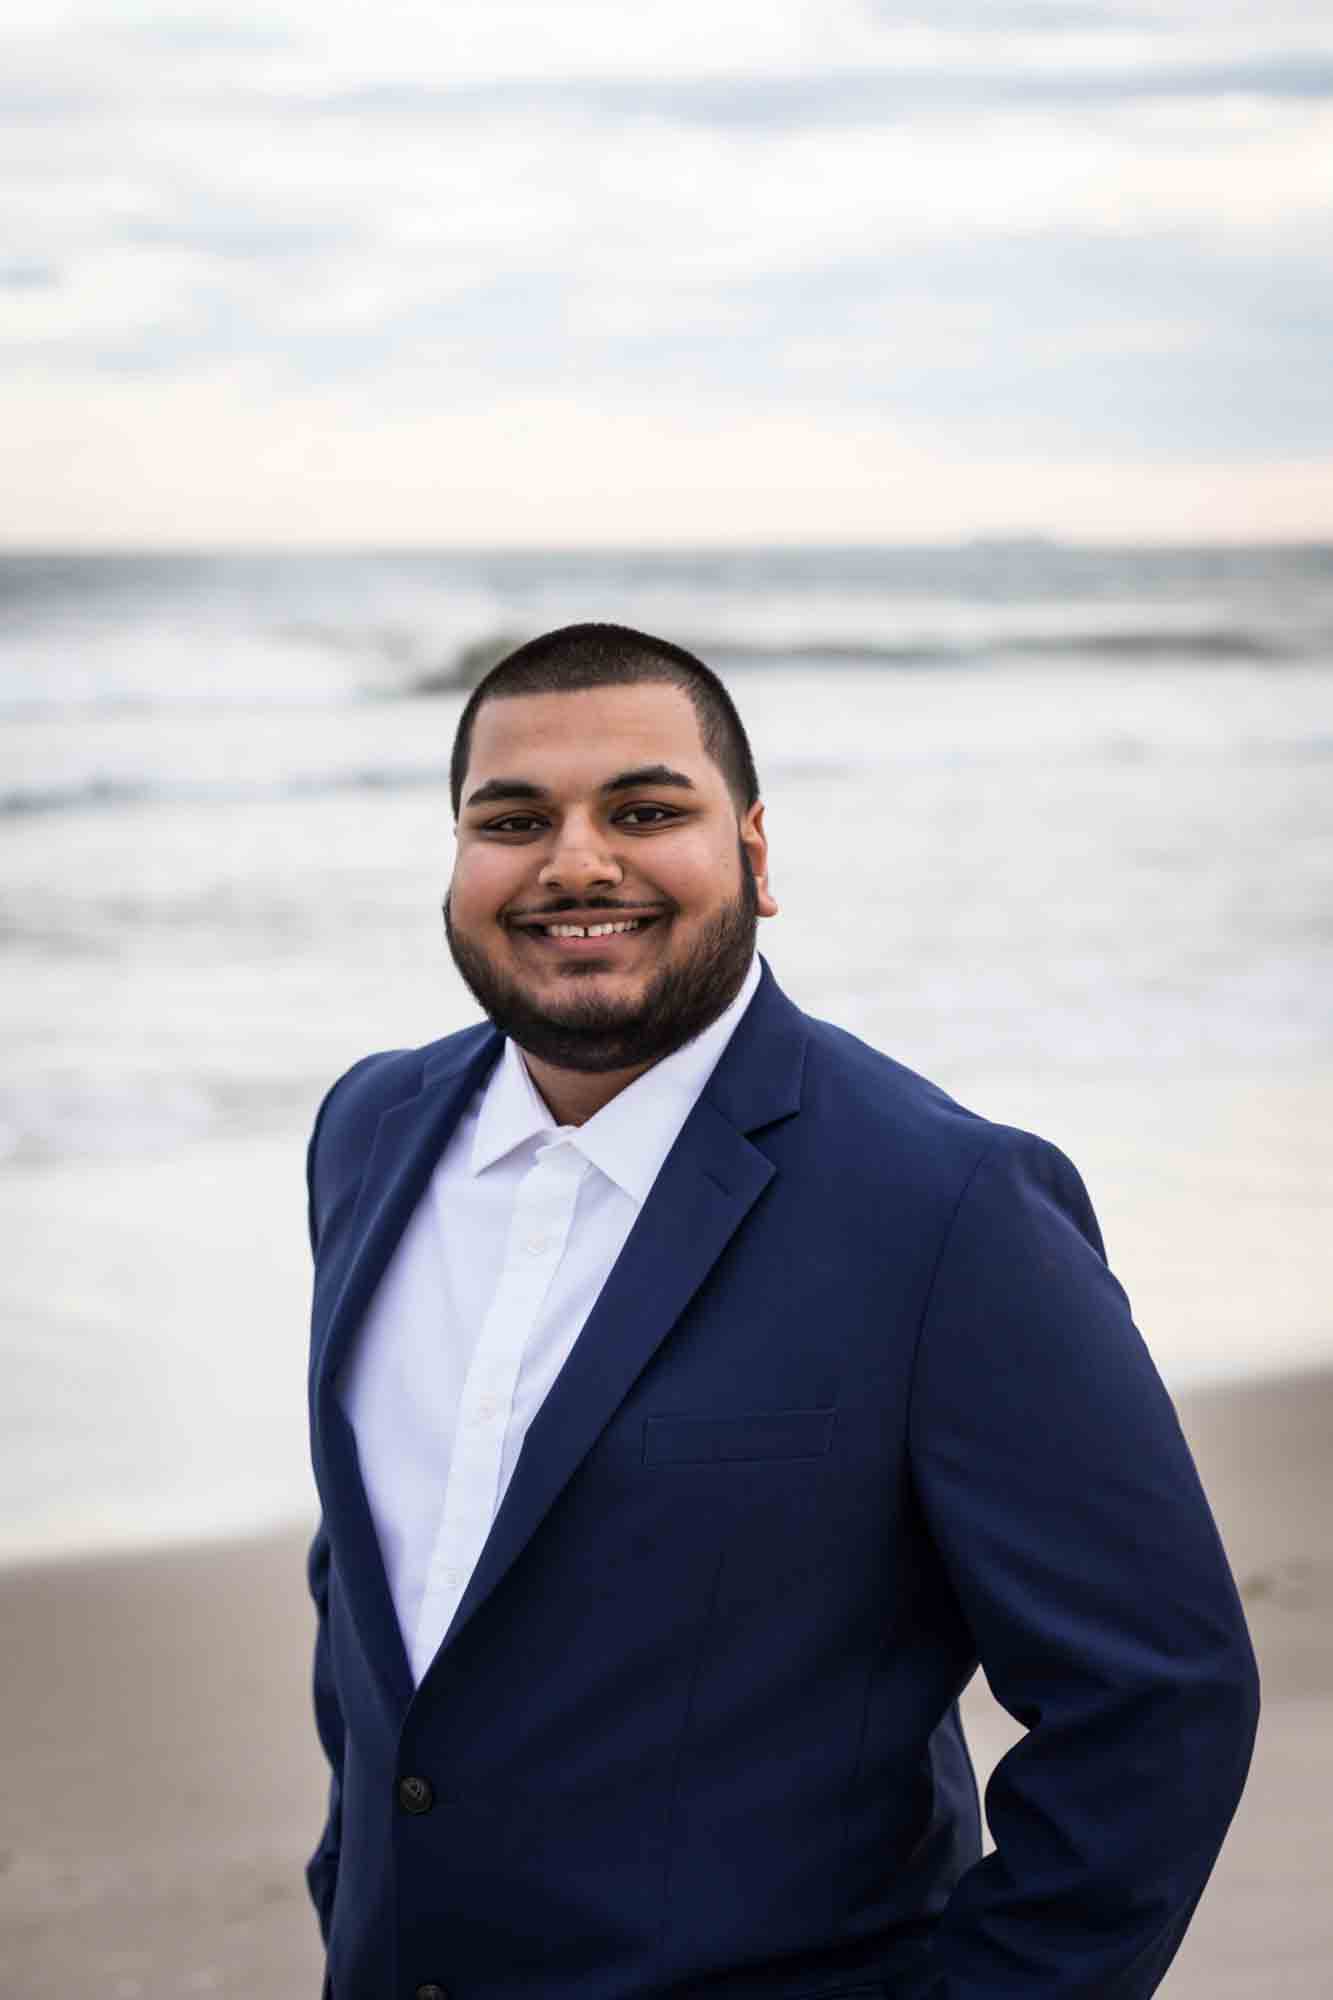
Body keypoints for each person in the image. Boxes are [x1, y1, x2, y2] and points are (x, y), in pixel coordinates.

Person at [304, 622, 1258, 2000]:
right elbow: (373, 1583)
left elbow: (1155, 1701)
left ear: (754, 853)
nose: (574, 860)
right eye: (511, 819)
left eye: (643, 809)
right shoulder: (368, 1132)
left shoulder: (947, 1206)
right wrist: (357, 1893)